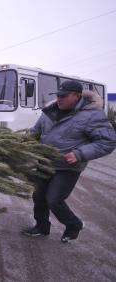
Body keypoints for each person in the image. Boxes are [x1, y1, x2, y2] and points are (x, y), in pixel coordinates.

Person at [22, 80, 116, 242]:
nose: (59, 99)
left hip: (68, 167)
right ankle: (41, 227)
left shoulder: (92, 115)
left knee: (54, 199)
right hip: (45, 162)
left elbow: (107, 142)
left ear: (77, 96)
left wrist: (80, 154)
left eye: (64, 96)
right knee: (39, 197)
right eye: (58, 95)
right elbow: (35, 132)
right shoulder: (49, 111)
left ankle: (73, 224)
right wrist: (17, 143)